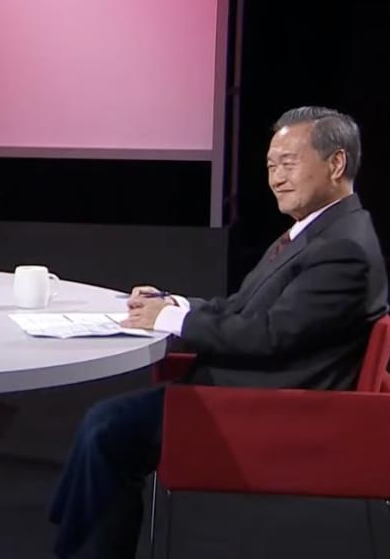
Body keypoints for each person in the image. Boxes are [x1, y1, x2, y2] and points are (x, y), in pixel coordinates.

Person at [49, 107, 388, 558]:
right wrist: (175, 304)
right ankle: (74, 537)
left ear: (336, 163)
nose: (276, 178)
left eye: (289, 162)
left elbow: (269, 336)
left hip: (269, 409)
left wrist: (168, 322)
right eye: (270, 165)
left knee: (105, 429)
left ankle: (76, 544)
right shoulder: (318, 233)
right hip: (248, 387)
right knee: (105, 427)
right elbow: (243, 309)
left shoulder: (341, 248)